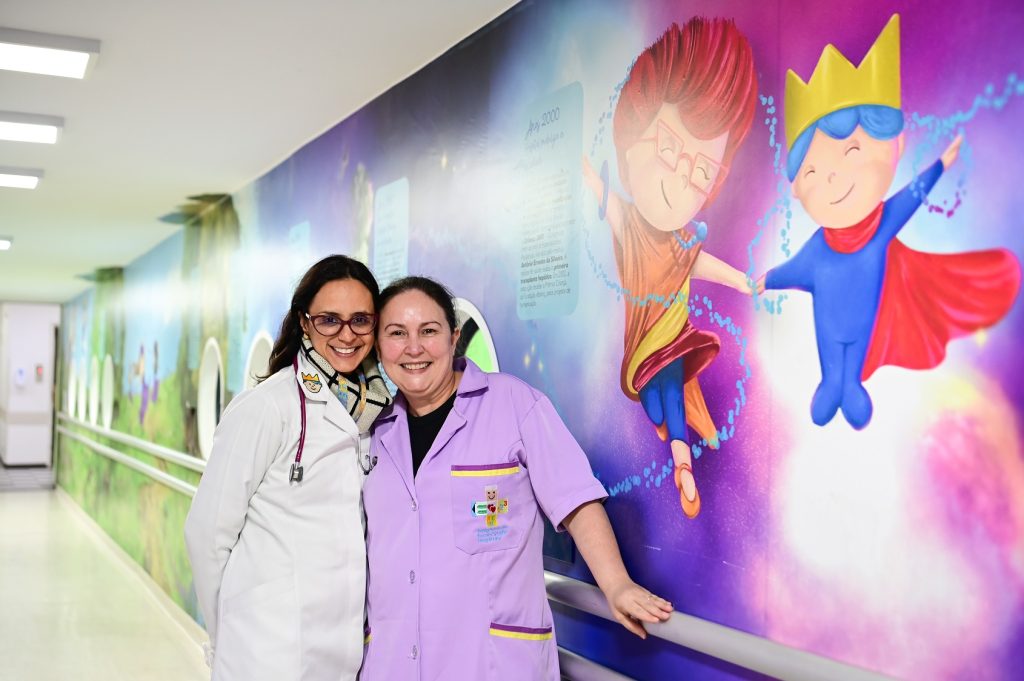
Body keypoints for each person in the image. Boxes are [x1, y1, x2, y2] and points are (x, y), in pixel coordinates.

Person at [360, 276, 672, 681]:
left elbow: (575, 500)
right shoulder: (374, 430)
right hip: (394, 665)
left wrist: (616, 584)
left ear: (454, 338)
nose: (414, 347)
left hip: (491, 665)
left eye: (429, 331)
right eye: (397, 333)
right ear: (378, 346)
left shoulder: (514, 403)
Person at [760, 13, 1019, 428]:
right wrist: (768, 279)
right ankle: (833, 382)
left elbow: (911, 196)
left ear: (895, 145)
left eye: (852, 153)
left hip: (865, 324)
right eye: (812, 171)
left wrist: (941, 164)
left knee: (852, 361)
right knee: (833, 360)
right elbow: (795, 270)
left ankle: (848, 385)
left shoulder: (880, 226)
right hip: (829, 329)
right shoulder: (819, 248)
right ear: (796, 187)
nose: (833, 178)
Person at [184, 255, 392, 681]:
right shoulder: (267, 407)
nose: (347, 335)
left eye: (360, 320)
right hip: (265, 650)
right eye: (329, 320)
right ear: (304, 322)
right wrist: (229, 633)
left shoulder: (379, 413)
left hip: (343, 649)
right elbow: (206, 534)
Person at [582, 18, 758, 518]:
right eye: (669, 148)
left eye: (701, 171)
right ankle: (677, 447)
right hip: (641, 347)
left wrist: (743, 282)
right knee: (658, 403)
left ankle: (683, 463)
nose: (681, 178)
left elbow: (703, 264)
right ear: (631, 135)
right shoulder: (631, 225)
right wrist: (576, 165)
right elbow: (600, 192)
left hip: (674, 339)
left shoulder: (684, 245)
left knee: (671, 397)